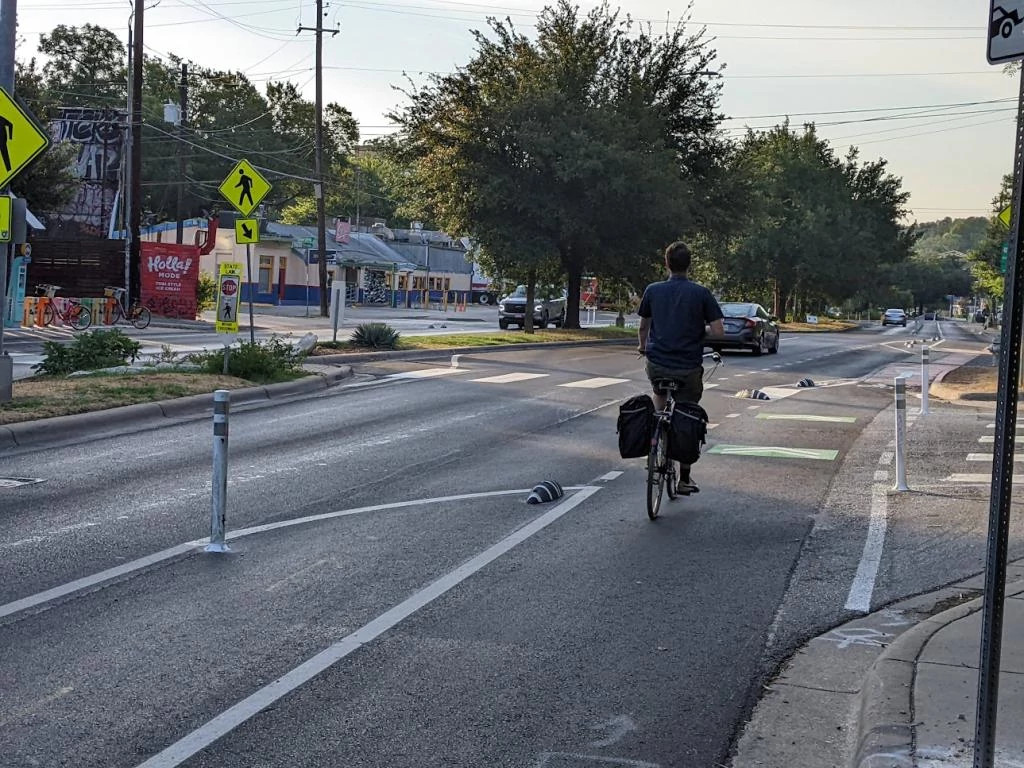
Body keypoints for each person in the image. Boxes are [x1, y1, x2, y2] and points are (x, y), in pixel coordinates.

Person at [637, 241, 725, 495]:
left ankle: (654, 440)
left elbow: (644, 327)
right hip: (687, 368)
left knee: (659, 393)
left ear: (666, 263)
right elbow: (718, 331)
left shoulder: (653, 291)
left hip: (657, 364)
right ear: (689, 265)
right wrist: (701, 331)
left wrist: (643, 348)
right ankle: (685, 478)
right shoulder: (701, 294)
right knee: (688, 412)